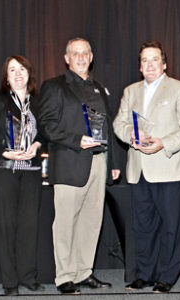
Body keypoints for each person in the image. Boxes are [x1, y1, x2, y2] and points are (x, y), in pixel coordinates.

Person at [34, 38, 120, 295]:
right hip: (70, 162)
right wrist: (75, 140)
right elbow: (46, 124)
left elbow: (108, 128)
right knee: (65, 223)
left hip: (98, 162)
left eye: (85, 53)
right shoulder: (54, 86)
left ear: (91, 57)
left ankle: (84, 272)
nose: (81, 57)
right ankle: (65, 276)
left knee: (92, 222)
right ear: (67, 57)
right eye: (75, 53)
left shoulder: (100, 88)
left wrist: (113, 163)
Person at [113, 40, 180, 293]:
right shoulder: (130, 91)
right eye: (144, 60)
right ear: (140, 66)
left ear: (164, 63)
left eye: (154, 59)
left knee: (171, 226)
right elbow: (118, 123)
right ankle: (145, 274)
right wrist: (132, 135)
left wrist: (164, 143)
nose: (149, 64)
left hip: (169, 168)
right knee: (142, 226)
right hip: (138, 170)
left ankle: (167, 276)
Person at [0, 55, 45, 296]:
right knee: (6, 226)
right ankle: (10, 282)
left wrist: (38, 146)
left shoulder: (38, 101)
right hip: (2, 170)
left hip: (30, 170)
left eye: (22, 69)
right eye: (12, 70)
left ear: (29, 73)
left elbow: (46, 132)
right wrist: (5, 153)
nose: (18, 73)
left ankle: (28, 276)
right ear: (6, 77)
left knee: (29, 225)